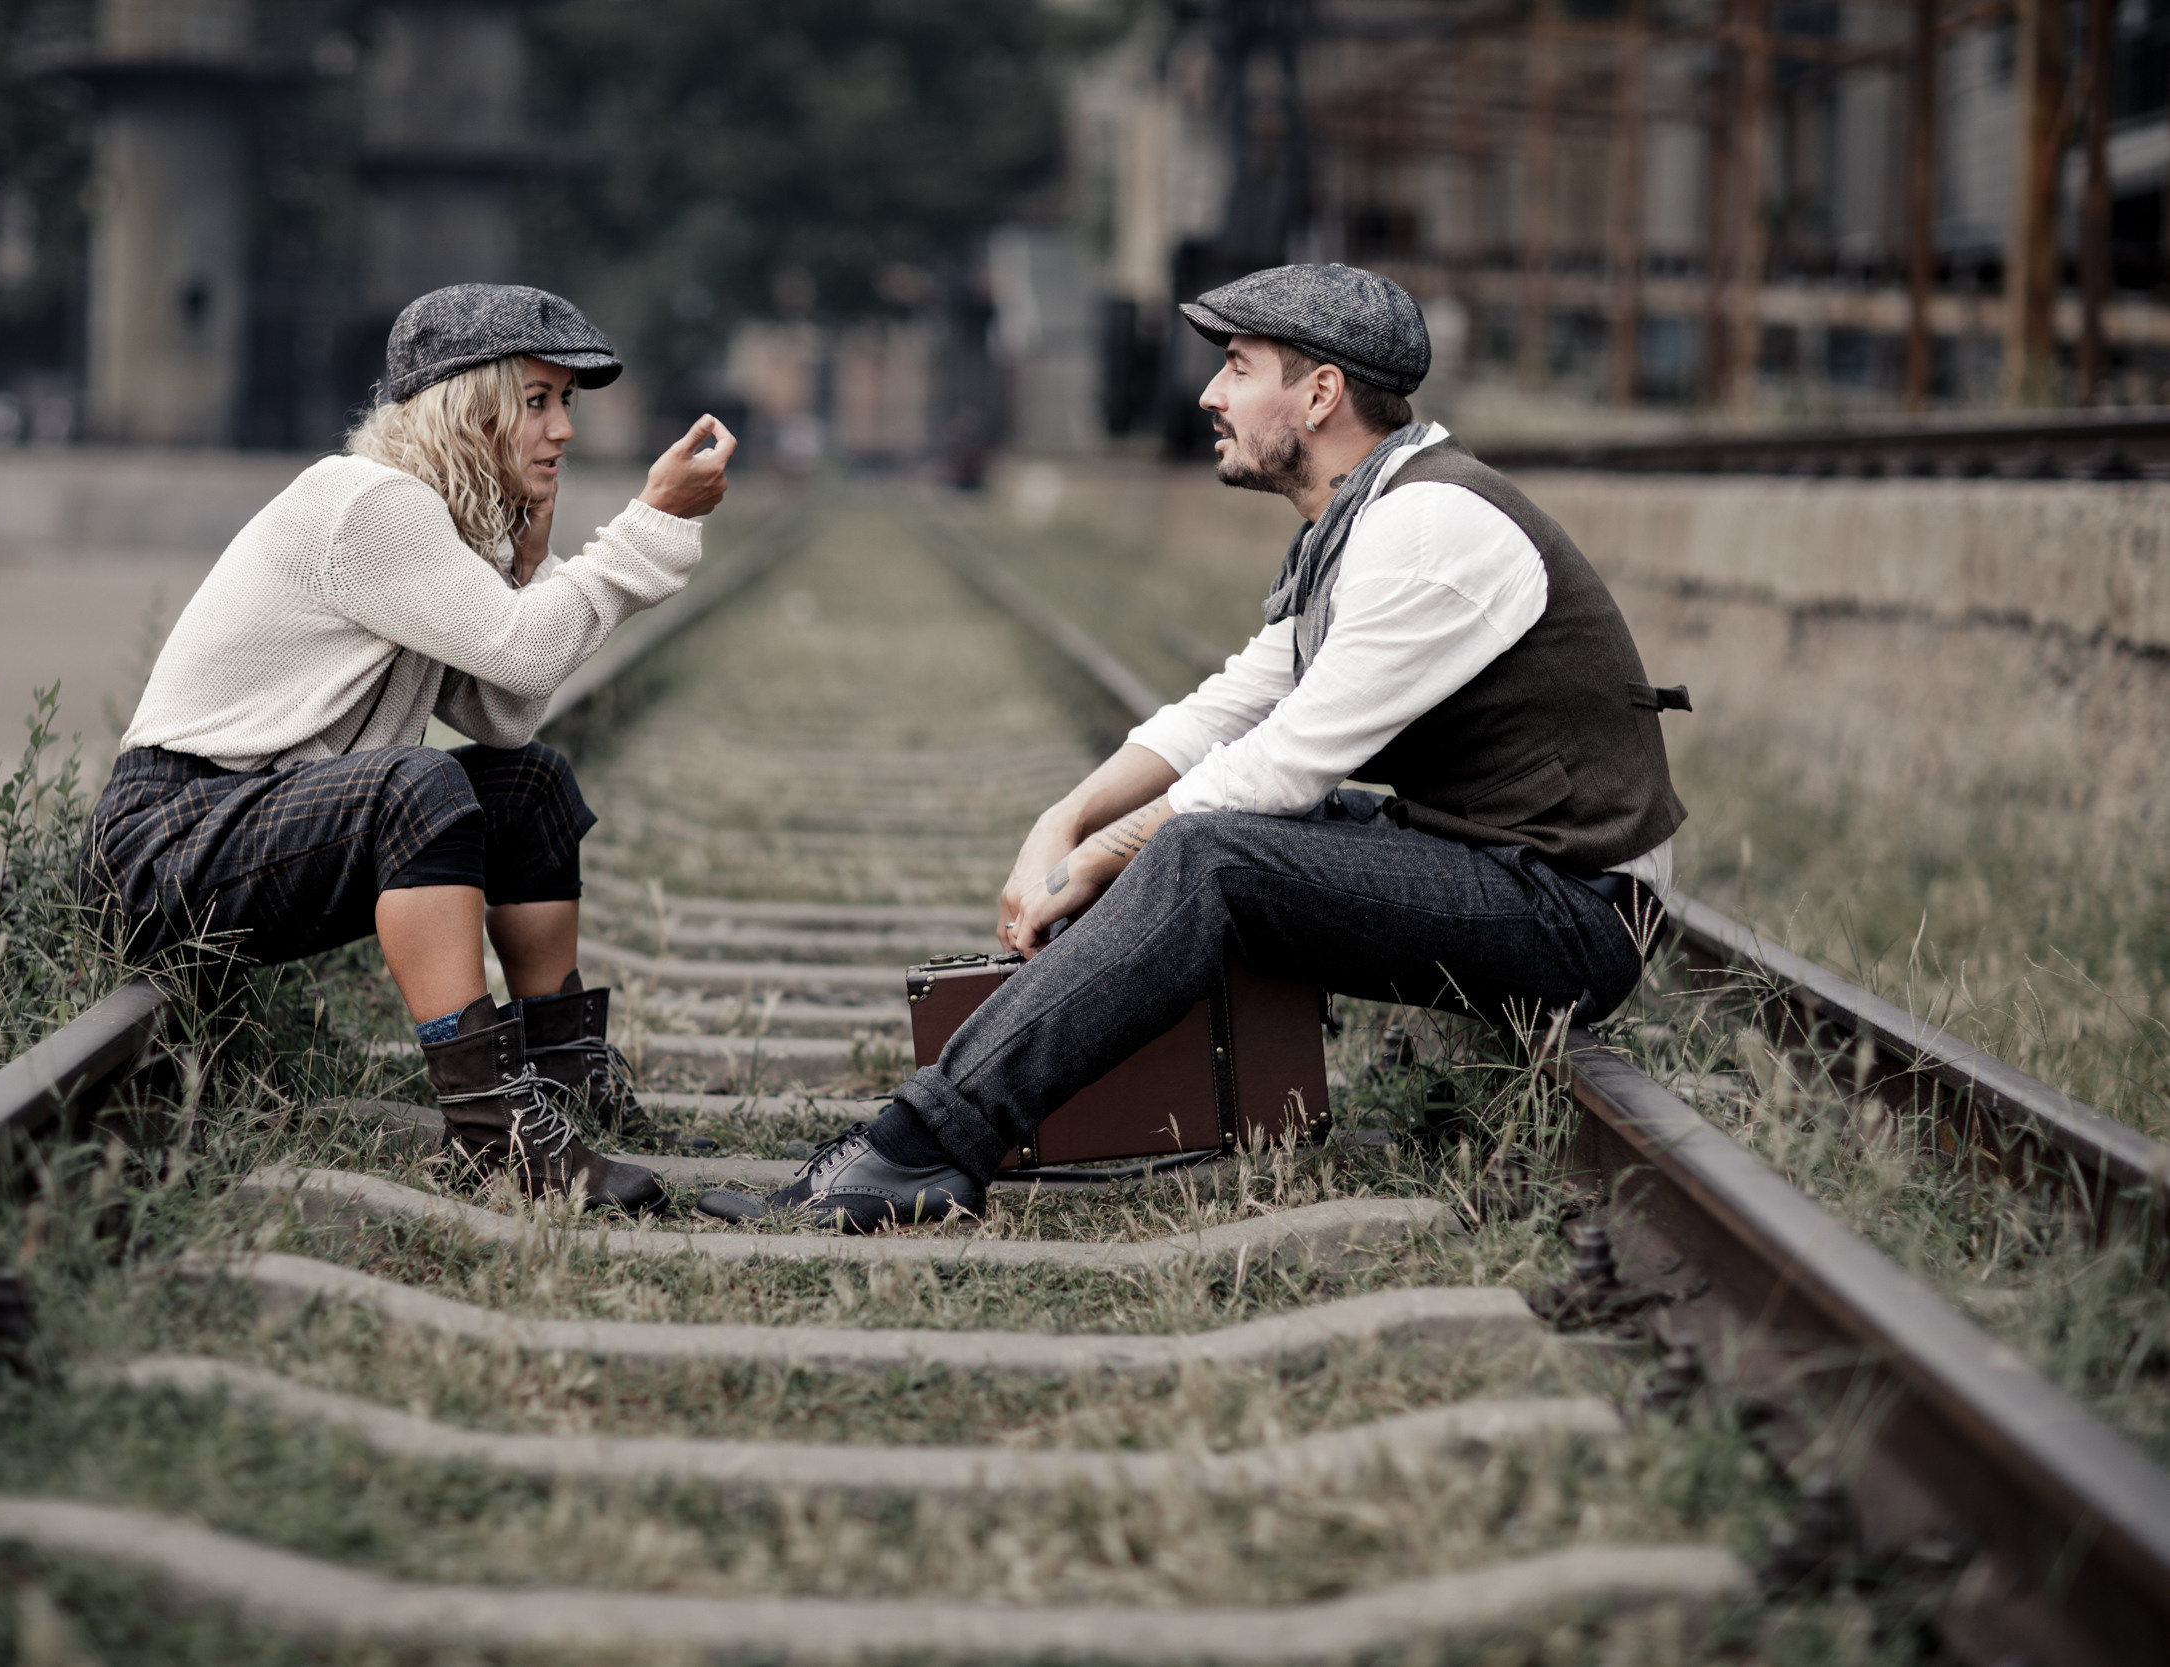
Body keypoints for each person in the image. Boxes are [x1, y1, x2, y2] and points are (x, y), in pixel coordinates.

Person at [701, 262, 1686, 1233]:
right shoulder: (1366, 519)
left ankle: (922, 1147)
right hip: (1502, 869)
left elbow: (1282, 765)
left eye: (1237, 368)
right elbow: (1228, 705)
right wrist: (1066, 815)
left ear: (1319, 393)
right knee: (1202, 838)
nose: (1210, 395)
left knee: (1206, 851)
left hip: (1574, 913)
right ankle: (921, 1134)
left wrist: (1095, 857)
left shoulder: (1426, 529)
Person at [79, 283, 737, 1215]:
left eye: (567, 404)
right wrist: (651, 528)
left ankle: (563, 1081)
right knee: (415, 786)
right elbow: (521, 648)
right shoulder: (372, 506)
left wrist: (521, 568)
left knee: (529, 786)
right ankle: (491, 1131)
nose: (563, 431)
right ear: (471, 409)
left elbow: (505, 715)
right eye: (537, 401)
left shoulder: (434, 524)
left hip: (252, 824)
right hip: (164, 840)